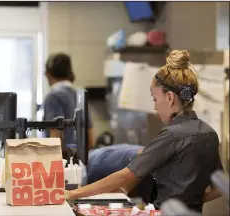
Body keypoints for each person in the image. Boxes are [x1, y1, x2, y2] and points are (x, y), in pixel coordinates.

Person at [65, 50, 223, 213]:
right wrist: (192, 203)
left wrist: (72, 193)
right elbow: (218, 188)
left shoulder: (171, 136)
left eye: (155, 99)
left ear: (169, 98)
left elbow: (124, 178)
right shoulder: (210, 133)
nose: (155, 107)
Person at [43, 52, 95, 149]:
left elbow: (55, 137)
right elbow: (90, 138)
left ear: (48, 74)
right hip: (81, 160)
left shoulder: (53, 96)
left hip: (63, 160)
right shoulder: (81, 95)